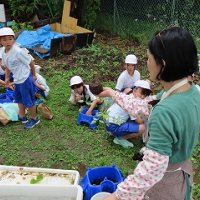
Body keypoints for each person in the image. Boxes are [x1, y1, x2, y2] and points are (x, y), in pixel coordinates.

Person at [104, 27, 200, 200]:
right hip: (182, 176)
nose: (146, 62)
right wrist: (112, 93)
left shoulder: (165, 112)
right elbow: (143, 106)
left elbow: (151, 170)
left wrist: (116, 197)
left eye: (148, 57)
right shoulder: (193, 92)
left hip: (165, 185)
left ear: (162, 63)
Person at [0, 27, 40, 129]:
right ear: (0, 41)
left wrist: (34, 75)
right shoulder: (4, 52)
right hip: (17, 80)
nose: (8, 42)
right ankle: (22, 116)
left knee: (29, 100)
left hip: (25, 78)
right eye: (4, 39)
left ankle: (34, 119)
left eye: (10, 39)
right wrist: (7, 79)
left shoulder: (18, 51)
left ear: (14, 39)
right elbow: (8, 67)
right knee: (18, 98)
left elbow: (30, 62)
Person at [99, 80, 153, 148]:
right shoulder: (132, 103)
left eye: (146, 94)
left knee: (135, 120)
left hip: (109, 122)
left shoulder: (128, 96)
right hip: (113, 126)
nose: (143, 96)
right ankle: (120, 139)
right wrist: (146, 116)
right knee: (143, 127)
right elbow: (139, 121)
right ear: (135, 90)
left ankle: (124, 132)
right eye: (142, 93)